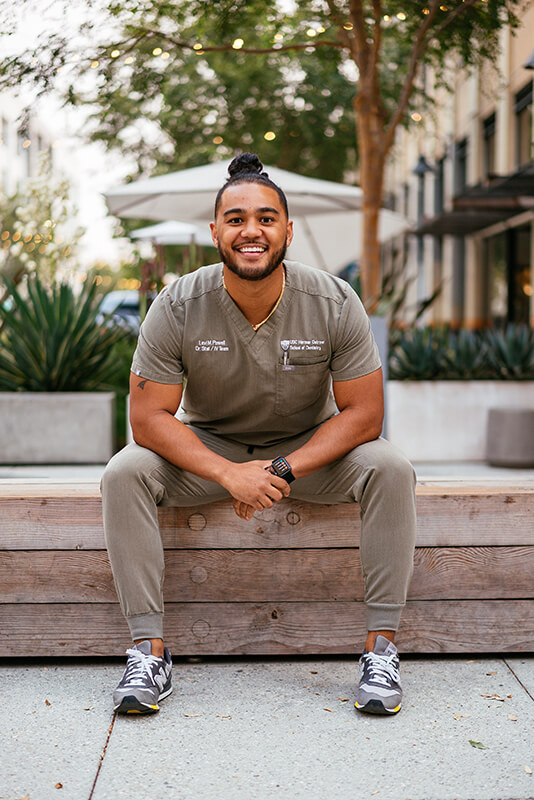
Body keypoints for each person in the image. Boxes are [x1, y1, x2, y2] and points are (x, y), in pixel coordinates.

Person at [101, 152, 416, 718]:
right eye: (238, 218)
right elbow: (148, 419)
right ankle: (148, 653)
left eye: (267, 218)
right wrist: (227, 474)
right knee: (124, 471)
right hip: (211, 449)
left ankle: (381, 651)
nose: (253, 230)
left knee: (390, 467)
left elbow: (365, 414)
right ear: (216, 230)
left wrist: (279, 471)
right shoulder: (176, 305)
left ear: (288, 231)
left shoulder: (335, 300)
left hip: (308, 451)